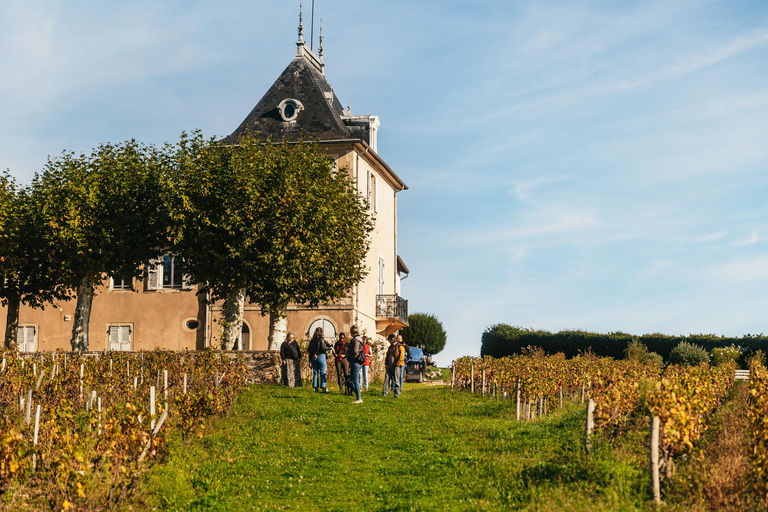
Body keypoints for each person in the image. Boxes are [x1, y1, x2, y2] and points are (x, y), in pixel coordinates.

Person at [346, 325, 365, 404]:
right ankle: (358, 396)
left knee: (355, 381)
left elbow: (355, 351)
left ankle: (359, 398)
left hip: (355, 361)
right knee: (351, 380)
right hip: (358, 361)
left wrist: (350, 353)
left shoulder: (356, 340)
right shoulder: (360, 339)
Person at [307, 327, 329, 393]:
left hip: (313, 357)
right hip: (321, 356)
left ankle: (315, 387)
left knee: (315, 372)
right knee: (323, 371)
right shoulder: (322, 340)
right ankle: (323, 386)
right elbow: (323, 348)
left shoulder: (312, 341)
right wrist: (330, 346)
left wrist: (310, 361)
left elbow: (309, 351)